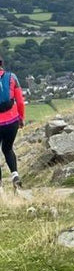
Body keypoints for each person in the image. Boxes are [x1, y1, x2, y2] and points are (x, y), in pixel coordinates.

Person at [0, 55, 26, 191]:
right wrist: (20, 118)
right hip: (12, 121)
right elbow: (20, 101)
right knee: (8, 149)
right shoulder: (12, 77)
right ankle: (15, 176)